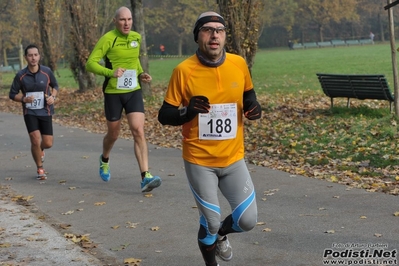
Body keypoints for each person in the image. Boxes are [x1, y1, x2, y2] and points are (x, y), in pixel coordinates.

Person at [158, 11, 260, 266]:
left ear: (225, 37)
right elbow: (164, 115)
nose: (215, 34)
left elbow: (248, 95)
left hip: (233, 158)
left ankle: (221, 236)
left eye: (220, 30)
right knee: (212, 221)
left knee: (247, 221)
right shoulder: (184, 71)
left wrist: (253, 108)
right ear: (198, 36)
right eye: (207, 29)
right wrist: (187, 111)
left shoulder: (238, 64)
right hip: (199, 160)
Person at [86, 6, 161, 193]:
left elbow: (134, 60)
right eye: (122, 20)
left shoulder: (136, 37)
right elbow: (90, 63)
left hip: (133, 90)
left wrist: (141, 73)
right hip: (113, 93)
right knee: (113, 134)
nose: (126, 23)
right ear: (115, 21)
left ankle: (145, 176)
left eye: (129, 19)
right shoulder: (108, 39)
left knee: (138, 130)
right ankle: (104, 159)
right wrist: (110, 73)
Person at [9, 44, 59, 180]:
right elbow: (12, 94)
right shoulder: (21, 75)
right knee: (35, 140)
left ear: (39, 56)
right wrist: (24, 99)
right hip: (30, 112)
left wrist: (52, 97)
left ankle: (40, 150)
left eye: (35, 55)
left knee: (47, 143)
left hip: (45, 111)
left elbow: (55, 86)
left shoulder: (46, 72)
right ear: (26, 57)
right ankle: (40, 168)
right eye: (30, 55)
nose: (33, 58)